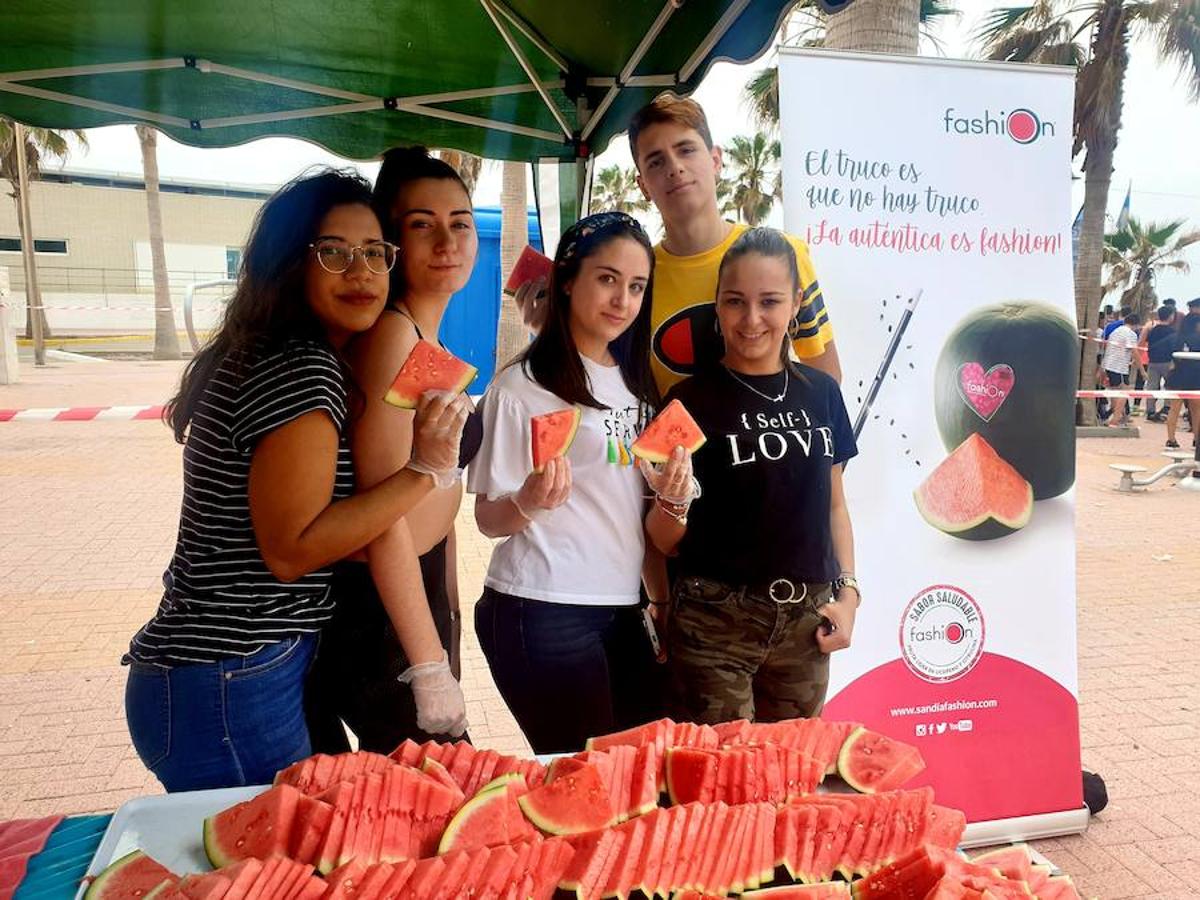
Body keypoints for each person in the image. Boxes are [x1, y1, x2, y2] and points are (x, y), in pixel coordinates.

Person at [122, 169, 468, 791]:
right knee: (262, 876)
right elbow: (292, 550)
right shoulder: (300, 370)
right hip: (227, 677)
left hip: (226, 672)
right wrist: (423, 470)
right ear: (289, 264)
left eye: (373, 253)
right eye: (333, 253)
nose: (360, 271)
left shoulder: (285, 352)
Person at [306, 148, 483, 752]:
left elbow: (441, 489)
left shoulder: (422, 336)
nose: (447, 238)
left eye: (460, 221)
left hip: (416, 601)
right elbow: (381, 514)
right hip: (382, 614)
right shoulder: (392, 337)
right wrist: (429, 663)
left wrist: (448, 621)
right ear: (393, 242)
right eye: (421, 223)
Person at [645, 227, 859, 725]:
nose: (752, 319)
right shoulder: (686, 402)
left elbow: (835, 506)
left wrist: (848, 596)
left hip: (807, 626)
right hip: (712, 624)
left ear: (796, 304)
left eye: (770, 301)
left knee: (792, 778)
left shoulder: (823, 392)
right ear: (717, 305)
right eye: (735, 301)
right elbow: (661, 539)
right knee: (721, 782)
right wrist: (672, 502)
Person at [469, 212, 663, 754]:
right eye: (607, 278)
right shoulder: (519, 389)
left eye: (636, 286)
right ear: (568, 280)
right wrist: (528, 502)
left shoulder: (633, 380)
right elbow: (487, 519)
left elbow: (630, 498)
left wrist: (674, 492)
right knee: (585, 779)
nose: (622, 299)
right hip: (541, 607)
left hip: (623, 606)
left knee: (639, 770)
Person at [627, 94, 840, 395]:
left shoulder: (784, 253)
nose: (674, 167)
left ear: (715, 160)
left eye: (686, 150)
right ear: (643, 186)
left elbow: (826, 380)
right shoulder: (635, 279)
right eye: (656, 161)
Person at [1165, 299, 1200, 450]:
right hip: (1195, 376)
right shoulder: (1196, 338)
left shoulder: (1177, 337)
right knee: (1196, 409)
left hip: (1178, 376)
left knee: (1174, 408)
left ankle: (1171, 438)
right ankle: (1196, 439)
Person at [1101, 312, 1143, 427]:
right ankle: (1115, 419)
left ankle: (1119, 416)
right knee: (1123, 393)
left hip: (1109, 364)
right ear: (1136, 324)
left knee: (1115, 392)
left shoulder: (1116, 331)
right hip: (1119, 367)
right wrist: (1142, 370)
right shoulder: (1131, 334)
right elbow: (1135, 351)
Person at [1144, 306, 1178, 422]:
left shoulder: (1153, 330)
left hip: (1153, 361)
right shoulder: (1172, 332)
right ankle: (1166, 408)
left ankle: (1150, 411)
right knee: (1170, 386)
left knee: (1152, 386)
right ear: (1170, 316)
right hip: (1167, 362)